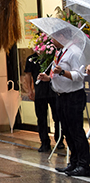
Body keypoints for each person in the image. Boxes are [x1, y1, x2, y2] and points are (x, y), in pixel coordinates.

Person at [38, 34, 90, 177]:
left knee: (76, 131)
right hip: (60, 96)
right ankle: (74, 162)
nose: (51, 40)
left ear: (62, 36)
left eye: (53, 37)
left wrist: (62, 72)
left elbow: (80, 75)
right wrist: (48, 78)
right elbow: (57, 75)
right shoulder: (60, 52)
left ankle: (84, 164)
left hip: (73, 97)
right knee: (67, 131)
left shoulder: (74, 52)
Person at [23, 51, 64, 152]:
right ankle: (44, 142)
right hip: (39, 93)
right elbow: (28, 75)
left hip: (53, 91)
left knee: (58, 116)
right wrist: (29, 90)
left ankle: (59, 140)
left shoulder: (51, 57)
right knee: (41, 118)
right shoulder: (31, 59)